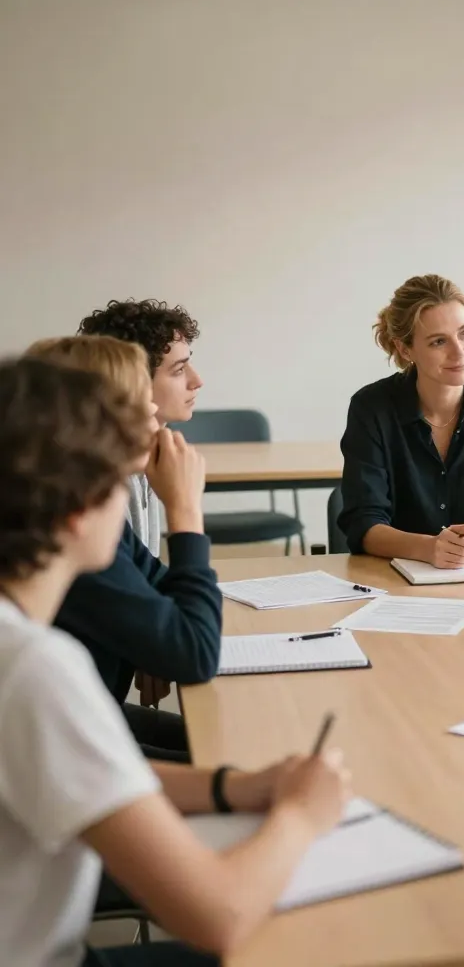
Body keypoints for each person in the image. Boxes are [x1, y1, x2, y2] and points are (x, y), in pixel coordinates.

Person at [0, 355, 350, 967]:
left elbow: (88, 774)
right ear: (79, 510)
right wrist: (302, 813)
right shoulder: (32, 667)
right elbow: (220, 916)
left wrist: (231, 785)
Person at [27, 335, 220, 762]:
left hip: (90, 716)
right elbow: (192, 653)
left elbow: (161, 589)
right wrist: (185, 510)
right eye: (137, 399)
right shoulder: (75, 532)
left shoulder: (95, 511)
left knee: (233, 741)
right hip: (68, 744)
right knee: (228, 753)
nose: (153, 409)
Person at [340, 274, 464, 567]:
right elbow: (363, 522)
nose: (459, 352)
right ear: (405, 349)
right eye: (438, 341)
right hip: (391, 578)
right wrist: (429, 548)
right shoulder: (371, 407)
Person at [79, 299, 204, 557]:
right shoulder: (104, 481)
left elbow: (148, 581)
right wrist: (185, 507)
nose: (197, 381)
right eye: (179, 369)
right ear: (132, 382)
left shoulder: (146, 459)